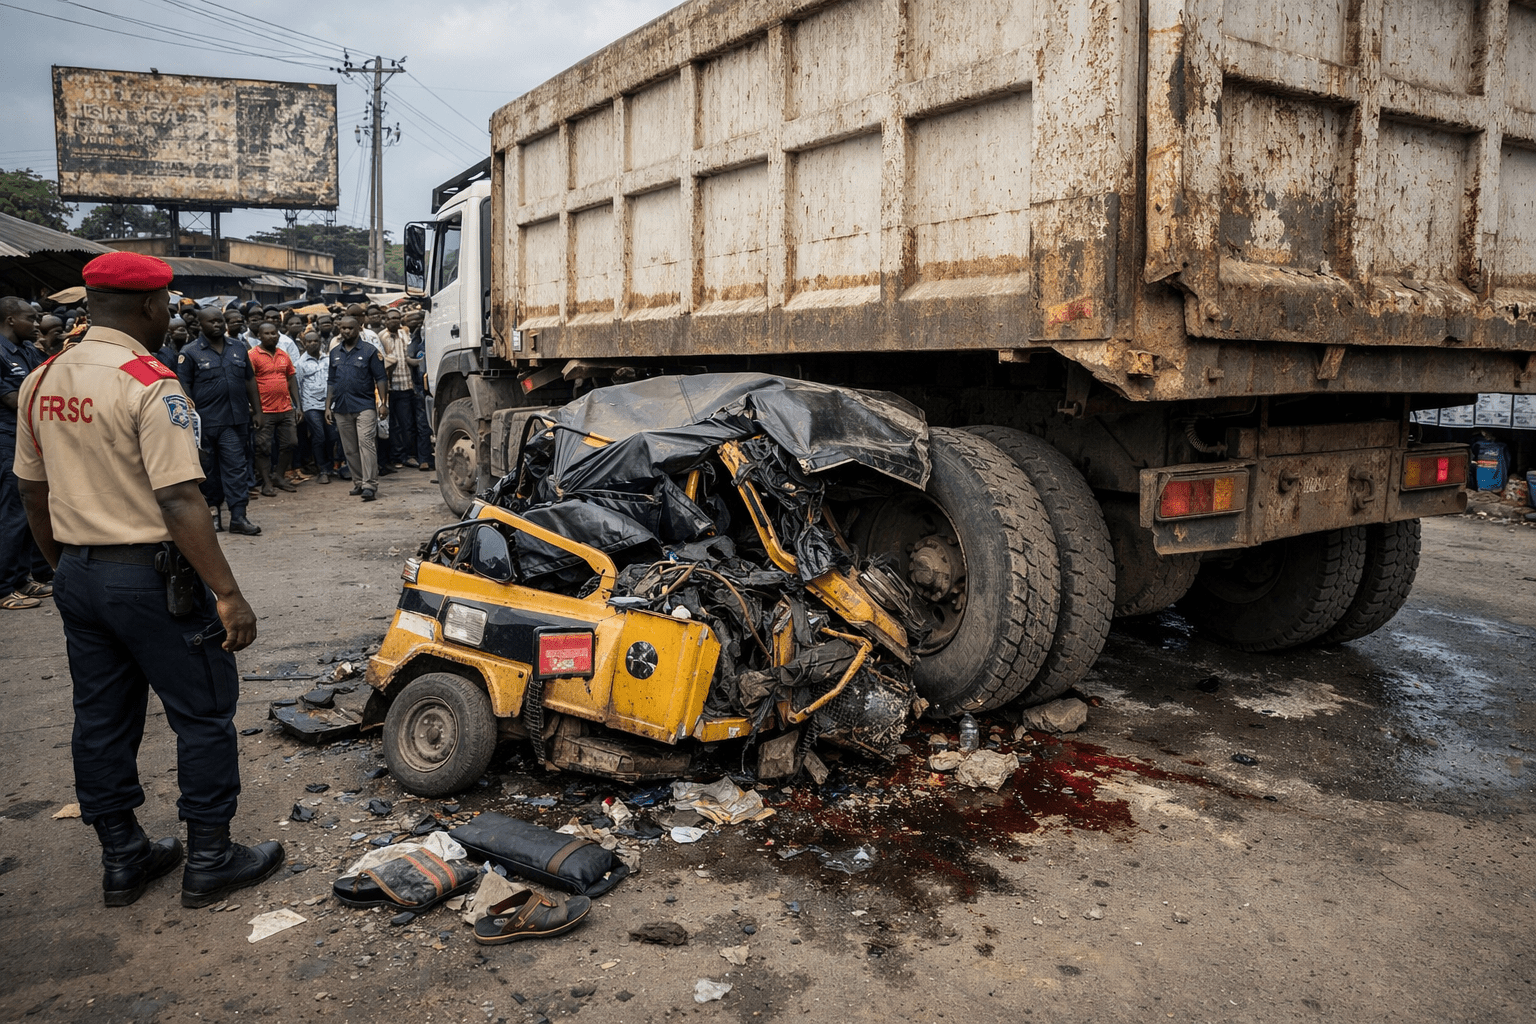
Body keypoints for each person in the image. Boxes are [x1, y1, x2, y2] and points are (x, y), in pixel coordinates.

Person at [13, 251, 283, 908]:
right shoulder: (149, 382)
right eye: (166, 304)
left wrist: (69, 572)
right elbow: (181, 501)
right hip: (150, 577)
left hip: (79, 572)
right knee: (203, 712)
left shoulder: (43, 378)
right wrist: (228, 593)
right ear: (150, 306)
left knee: (101, 720)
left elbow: (31, 491)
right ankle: (211, 857)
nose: (168, 314)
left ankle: (123, 858)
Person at [178, 308, 262, 535]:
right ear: (200, 324)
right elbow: (183, 388)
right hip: (205, 423)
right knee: (208, 471)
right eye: (211, 321)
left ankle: (238, 516)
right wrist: (190, 421)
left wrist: (258, 411)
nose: (217, 325)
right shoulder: (190, 352)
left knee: (236, 468)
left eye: (220, 321)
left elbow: (249, 380)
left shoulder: (238, 347)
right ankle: (213, 514)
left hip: (233, 422)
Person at [0, 296, 50, 610]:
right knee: (12, 515)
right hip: (7, 441)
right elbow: (14, 399)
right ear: (10, 320)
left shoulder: (29, 350)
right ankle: (4, 587)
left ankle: (21, 578)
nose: (36, 325)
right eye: (30, 319)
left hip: (30, 440)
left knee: (30, 512)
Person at [325, 316, 387, 501]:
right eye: (342, 328)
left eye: (350, 328)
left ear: (359, 328)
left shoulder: (370, 351)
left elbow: (381, 378)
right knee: (349, 448)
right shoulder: (335, 352)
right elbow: (331, 381)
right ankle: (358, 482)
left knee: (366, 444)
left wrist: (383, 403)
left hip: (364, 405)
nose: (346, 331)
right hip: (341, 407)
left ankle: (370, 485)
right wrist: (328, 406)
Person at [249, 322, 299, 496]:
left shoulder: (283, 354)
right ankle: (267, 482)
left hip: (285, 408)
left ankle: (278, 476)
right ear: (259, 337)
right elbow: (248, 382)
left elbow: (291, 379)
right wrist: (255, 409)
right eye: (267, 334)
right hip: (264, 410)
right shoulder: (253, 355)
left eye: (274, 333)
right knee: (263, 447)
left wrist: (297, 406)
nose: (272, 336)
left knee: (291, 443)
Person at [377, 309, 419, 469]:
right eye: (390, 318)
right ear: (385, 321)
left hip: (405, 385)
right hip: (388, 388)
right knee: (390, 425)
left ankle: (407, 455)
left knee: (406, 423)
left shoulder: (404, 334)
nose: (393, 321)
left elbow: (409, 356)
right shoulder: (382, 336)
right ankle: (395, 456)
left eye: (396, 318)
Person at [295, 332, 337, 484]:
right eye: (309, 341)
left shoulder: (328, 359)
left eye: (316, 341)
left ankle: (331, 465)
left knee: (332, 436)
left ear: (320, 342)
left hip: (329, 403)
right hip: (310, 404)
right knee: (319, 435)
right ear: (304, 344)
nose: (313, 344)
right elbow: (298, 387)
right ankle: (322, 469)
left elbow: (333, 380)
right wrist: (299, 408)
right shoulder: (300, 363)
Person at [405, 308, 434, 471]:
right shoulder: (414, 341)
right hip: (420, 387)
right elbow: (412, 361)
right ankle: (424, 458)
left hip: (431, 384)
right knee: (423, 424)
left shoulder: (428, 335)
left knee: (427, 425)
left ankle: (429, 457)